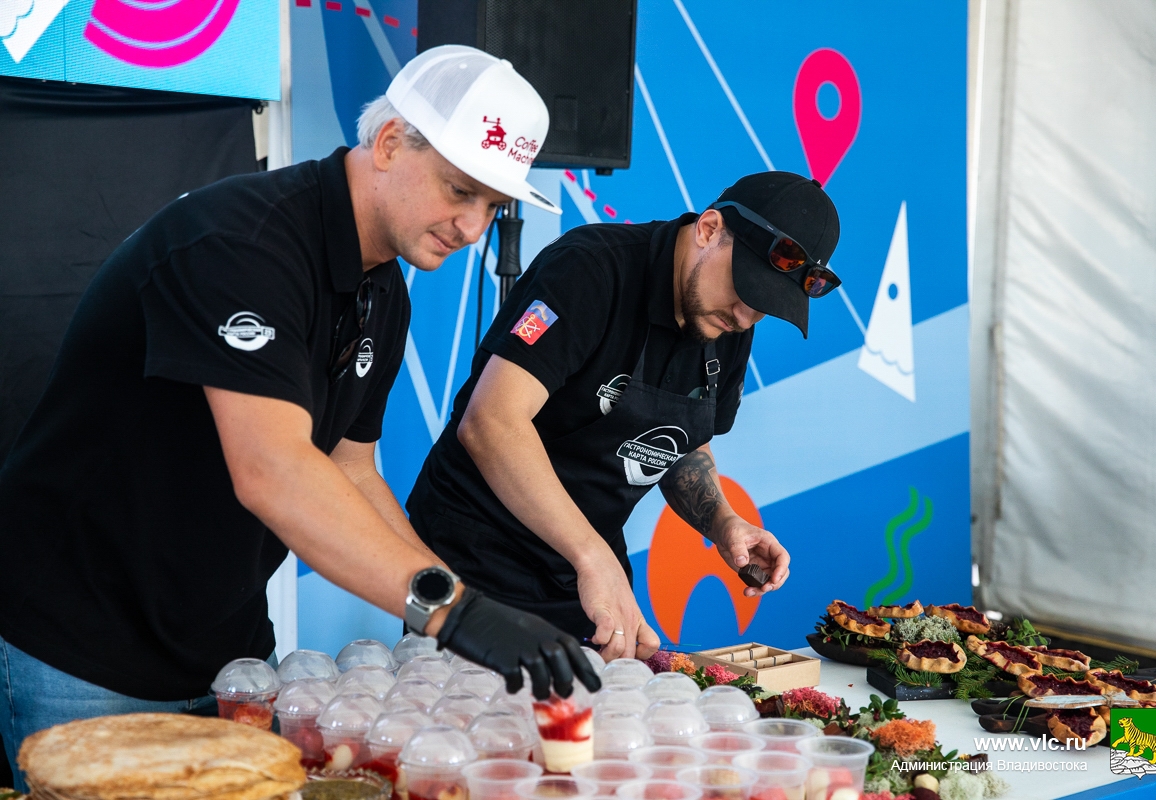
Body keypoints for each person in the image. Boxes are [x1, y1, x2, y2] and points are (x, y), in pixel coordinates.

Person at [0, 45, 598, 788]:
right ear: (388, 143)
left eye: (492, 205)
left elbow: (350, 472)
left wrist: (459, 612)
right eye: (459, 189)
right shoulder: (242, 243)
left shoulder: (386, 290)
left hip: (226, 654)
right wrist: (457, 612)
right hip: (85, 644)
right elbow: (274, 473)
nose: (474, 227)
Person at [406, 172, 843, 660]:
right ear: (709, 228)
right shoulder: (590, 270)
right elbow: (491, 421)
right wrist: (592, 556)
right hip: (475, 556)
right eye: (747, 290)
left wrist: (723, 523)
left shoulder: (729, 318)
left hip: (584, 574)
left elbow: (680, 442)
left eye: (765, 306)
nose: (745, 318)